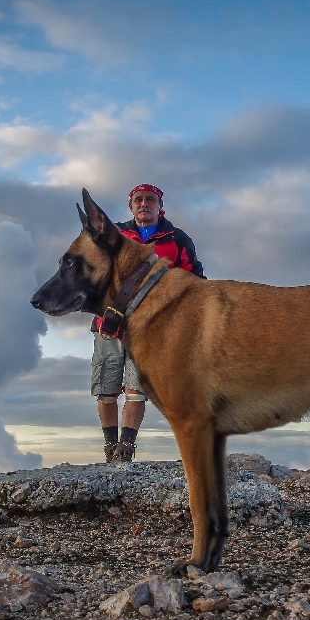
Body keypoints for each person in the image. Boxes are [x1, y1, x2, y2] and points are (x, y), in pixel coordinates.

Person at [92, 183, 205, 462]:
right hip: (109, 324)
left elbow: (195, 280)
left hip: (152, 328)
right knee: (106, 389)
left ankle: (126, 449)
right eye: (138, 199)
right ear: (131, 206)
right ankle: (110, 448)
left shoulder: (177, 239)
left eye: (150, 200)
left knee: (136, 389)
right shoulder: (114, 234)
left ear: (160, 206)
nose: (144, 204)